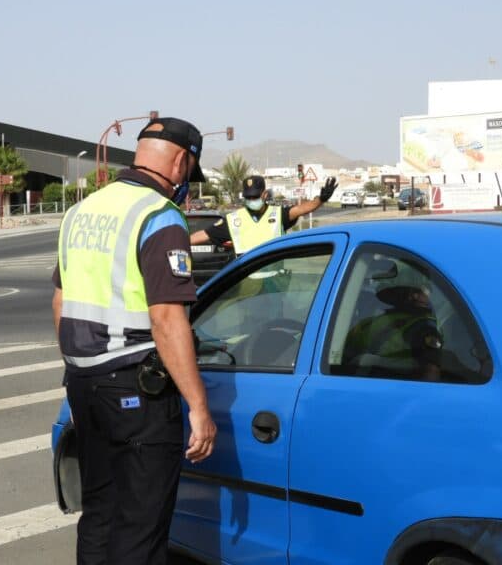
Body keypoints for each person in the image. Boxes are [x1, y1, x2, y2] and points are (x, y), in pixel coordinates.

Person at [52, 117, 217, 565]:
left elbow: (61, 303)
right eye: (188, 172)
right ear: (182, 161)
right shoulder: (159, 215)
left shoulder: (81, 212)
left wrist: (78, 373)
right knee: (140, 529)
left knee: (99, 515)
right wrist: (198, 407)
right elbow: (166, 319)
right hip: (136, 393)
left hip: (85, 384)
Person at [190, 174, 338, 256]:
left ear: (265, 194)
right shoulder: (234, 220)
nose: (252, 200)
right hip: (246, 281)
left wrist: (321, 199)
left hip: (275, 283)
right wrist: (173, 243)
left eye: (255, 197)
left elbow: (302, 209)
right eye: (249, 198)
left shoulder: (278, 214)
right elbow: (202, 235)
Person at [343, 285, 442, 381]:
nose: (415, 296)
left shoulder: (424, 327)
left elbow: (431, 372)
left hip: (390, 388)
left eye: (419, 293)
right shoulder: (373, 321)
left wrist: (377, 361)